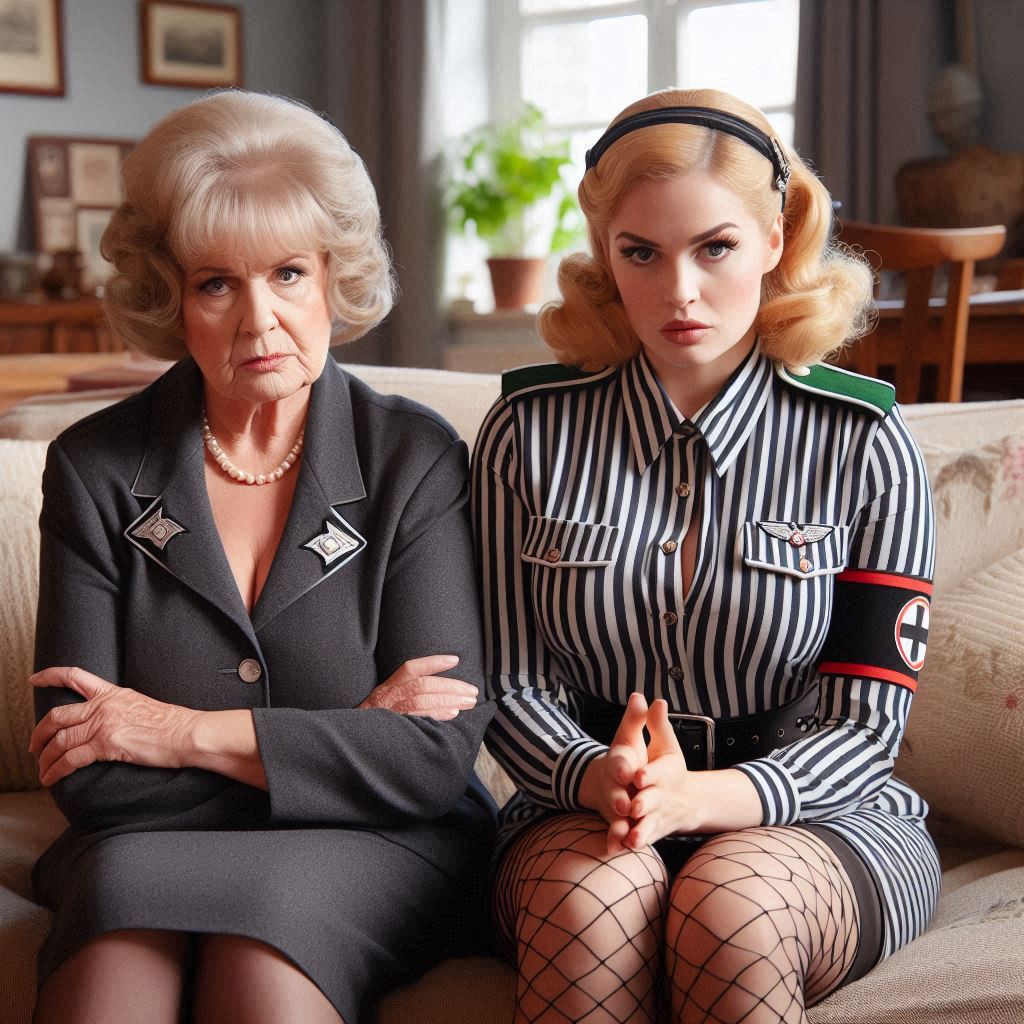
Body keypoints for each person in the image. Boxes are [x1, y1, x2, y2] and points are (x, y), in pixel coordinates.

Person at [472, 87, 939, 1024]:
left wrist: (702, 800)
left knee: (730, 913)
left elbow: (867, 727)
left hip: (821, 816)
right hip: (580, 807)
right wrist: (595, 776)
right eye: (641, 253)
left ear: (774, 240)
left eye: (714, 248)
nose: (678, 292)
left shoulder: (865, 443)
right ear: (606, 254)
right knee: (592, 910)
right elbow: (508, 686)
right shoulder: (525, 433)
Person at [29, 90, 495, 1024]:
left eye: (287, 273)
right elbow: (85, 769)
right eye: (216, 283)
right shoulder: (95, 467)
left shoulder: (414, 458)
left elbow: (429, 758)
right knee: (111, 960)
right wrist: (340, 740)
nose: (259, 320)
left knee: (262, 956)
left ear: (333, 278)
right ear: (170, 296)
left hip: (382, 845)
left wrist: (175, 733)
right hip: (143, 846)